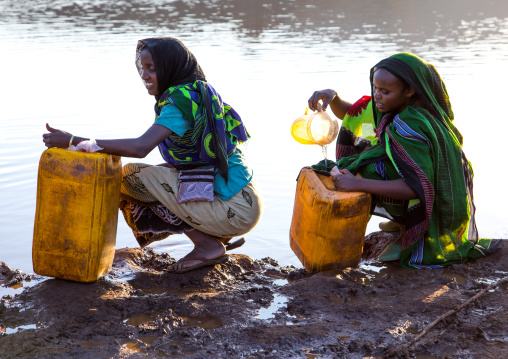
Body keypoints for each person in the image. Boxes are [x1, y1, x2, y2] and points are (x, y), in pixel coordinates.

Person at [42, 37, 262, 273]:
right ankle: (215, 236)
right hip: (244, 201)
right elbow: (193, 163)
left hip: (234, 209)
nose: (144, 76)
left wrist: (76, 141)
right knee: (158, 173)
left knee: (130, 178)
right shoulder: (196, 94)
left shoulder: (178, 105)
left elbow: (140, 147)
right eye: (143, 68)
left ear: (170, 68)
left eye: (152, 69)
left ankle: (208, 244)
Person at [308, 52, 501, 268]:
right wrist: (333, 96)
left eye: (385, 91)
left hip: (436, 202)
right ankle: (402, 219)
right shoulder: (410, 107)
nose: (377, 95)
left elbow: (417, 187)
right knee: (367, 150)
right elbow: (354, 113)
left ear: (409, 90)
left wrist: (357, 183)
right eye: (375, 88)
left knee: (368, 168)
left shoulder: (408, 127)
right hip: (432, 187)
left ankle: (409, 232)